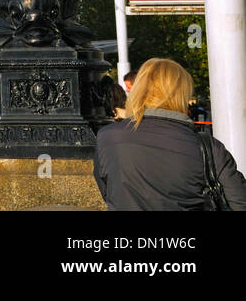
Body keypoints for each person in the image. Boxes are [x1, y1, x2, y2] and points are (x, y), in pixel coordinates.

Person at [94, 58, 246, 210]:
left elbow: (108, 191)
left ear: (138, 89)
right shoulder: (208, 148)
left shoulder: (107, 137)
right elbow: (239, 202)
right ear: (181, 93)